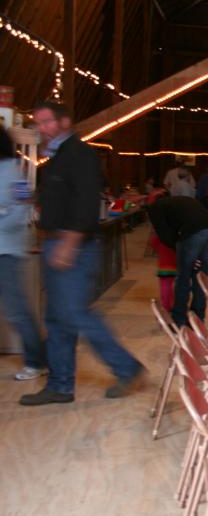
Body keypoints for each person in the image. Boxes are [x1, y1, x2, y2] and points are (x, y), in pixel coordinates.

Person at [20, 100, 143, 405]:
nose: (42, 128)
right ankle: (60, 386)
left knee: (75, 313)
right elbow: (63, 198)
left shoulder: (80, 154)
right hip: (55, 241)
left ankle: (127, 367)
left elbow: (86, 204)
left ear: (64, 122)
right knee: (57, 318)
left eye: (47, 121)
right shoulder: (57, 157)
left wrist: (68, 243)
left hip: (73, 245)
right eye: (38, 123)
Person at [0, 127, 47, 381]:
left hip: (6, 250)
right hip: (5, 247)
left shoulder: (13, 171)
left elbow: (22, 208)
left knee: (17, 310)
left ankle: (36, 360)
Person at [146, 195, 208, 327]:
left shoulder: (154, 209)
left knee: (183, 278)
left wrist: (181, 250)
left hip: (194, 233)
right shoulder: (179, 201)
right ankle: (198, 319)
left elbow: (165, 235)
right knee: (201, 278)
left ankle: (179, 320)